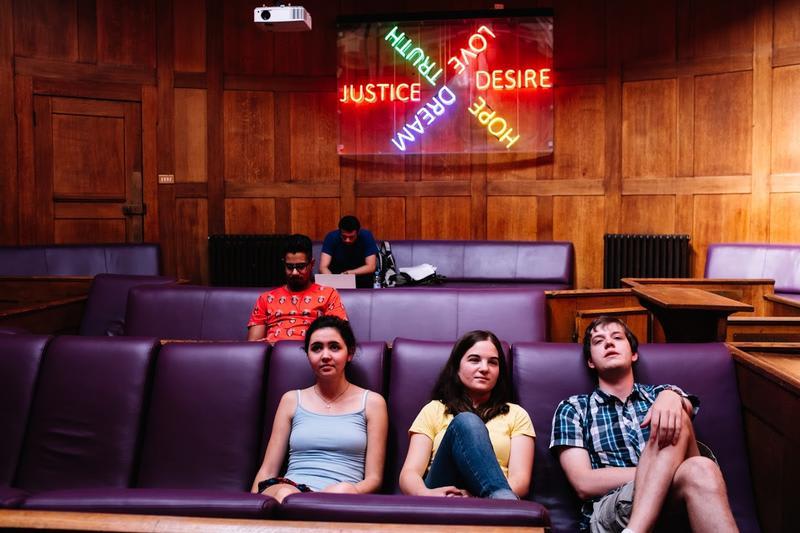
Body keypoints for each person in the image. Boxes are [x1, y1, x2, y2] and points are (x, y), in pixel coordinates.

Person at [550, 316, 738, 533]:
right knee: (699, 466)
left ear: (633, 354)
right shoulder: (573, 408)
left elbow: (684, 408)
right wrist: (657, 471)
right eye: (598, 341)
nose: (609, 343)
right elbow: (583, 483)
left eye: (617, 337)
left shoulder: (661, 395)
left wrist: (671, 395)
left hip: (677, 499)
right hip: (614, 507)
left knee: (701, 465)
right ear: (591, 361)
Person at [251, 316, 388, 502]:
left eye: (334, 347)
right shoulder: (291, 400)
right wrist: (250, 509)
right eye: (316, 348)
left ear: (350, 353)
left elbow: (374, 479)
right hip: (289, 492)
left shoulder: (372, 402)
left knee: (339, 491)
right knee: (287, 494)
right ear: (307, 355)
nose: (325, 355)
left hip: (341, 496)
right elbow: (267, 469)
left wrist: (346, 491)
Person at [399, 330, 535, 500]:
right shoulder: (434, 410)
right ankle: (503, 503)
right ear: (457, 367)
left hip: (488, 502)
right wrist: (426, 494)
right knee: (467, 422)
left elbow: (520, 481)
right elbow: (409, 474)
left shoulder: (516, 415)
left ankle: (498, 500)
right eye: (474, 360)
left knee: (468, 421)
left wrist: (475, 497)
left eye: (493, 363)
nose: (484, 368)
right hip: (440, 495)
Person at [247, 234, 347, 343]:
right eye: (290, 267)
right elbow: (253, 346)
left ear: (311, 264)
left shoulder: (329, 294)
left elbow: (338, 336)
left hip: (312, 353)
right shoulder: (266, 298)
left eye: (300, 267)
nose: (294, 272)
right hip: (275, 353)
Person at [319, 215, 379, 288]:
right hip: (336, 277)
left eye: (351, 237)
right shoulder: (331, 237)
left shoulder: (366, 236)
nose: (347, 240)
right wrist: (333, 281)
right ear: (340, 232)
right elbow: (323, 267)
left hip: (361, 278)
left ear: (357, 232)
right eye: (344, 237)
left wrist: (348, 274)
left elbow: (371, 267)